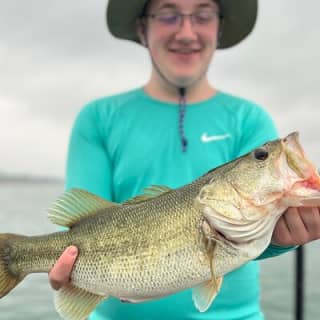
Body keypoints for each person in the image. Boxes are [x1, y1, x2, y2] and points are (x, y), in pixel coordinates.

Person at [49, 0, 320, 319]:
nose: (187, 32)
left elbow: (244, 226)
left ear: (218, 28)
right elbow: (82, 221)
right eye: (168, 14)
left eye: (203, 15)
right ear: (141, 28)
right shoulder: (98, 118)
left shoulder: (249, 119)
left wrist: (278, 240)